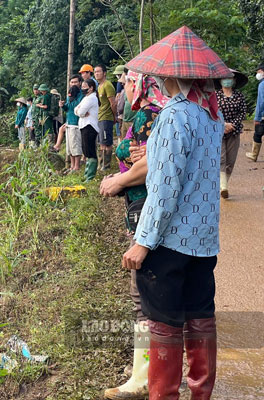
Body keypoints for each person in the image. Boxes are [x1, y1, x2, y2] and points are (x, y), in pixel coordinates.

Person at [123, 25, 232, 400]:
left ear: (167, 74)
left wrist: (142, 242)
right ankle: (201, 393)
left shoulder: (175, 114)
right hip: (203, 241)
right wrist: (153, 153)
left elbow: (165, 188)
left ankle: (164, 395)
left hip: (170, 241)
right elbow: (192, 168)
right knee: (201, 319)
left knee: (165, 324)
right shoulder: (211, 114)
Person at [100, 70, 169, 400]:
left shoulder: (148, 114)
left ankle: (144, 377)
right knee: (156, 294)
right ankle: (158, 371)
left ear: (141, 86)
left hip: (146, 210)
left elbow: (151, 163)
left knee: (142, 293)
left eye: (128, 81)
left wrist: (120, 180)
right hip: (147, 209)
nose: (124, 87)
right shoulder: (161, 112)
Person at [216, 69, 248, 198]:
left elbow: (242, 112)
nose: (227, 80)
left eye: (230, 78)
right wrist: (223, 124)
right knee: (221, 159)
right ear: (220, 80)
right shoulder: (215, 95)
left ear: (234, 81)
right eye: (224, 78)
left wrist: (231, 125)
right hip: (219, 130)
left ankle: (224, 186)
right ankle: (223, 187)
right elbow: (212, 112)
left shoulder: (239, 96)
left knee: (231, 160)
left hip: (234, 131)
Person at [75, 79, 99, 181]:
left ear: (91, 88)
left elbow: (80, 112)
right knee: (86, 150)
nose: (83, 88)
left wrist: (80, 112)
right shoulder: (86, 97)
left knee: (90, 150)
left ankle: (90, 176)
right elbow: (76, 109)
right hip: (84, 125)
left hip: (90, 126)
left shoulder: (92, 98)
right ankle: (87, 174)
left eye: (85, 86)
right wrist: (80, 111)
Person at [56, 84, 84, 172]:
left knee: (76, 146)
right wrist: (63, 105)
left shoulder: (81, 97)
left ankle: (77, 166)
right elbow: (67, 108)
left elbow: (77, 107)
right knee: (70, 148)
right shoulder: (70, 97)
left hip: (76, 124)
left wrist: (70, 103)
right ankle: (72, 166)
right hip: (69, 123)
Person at [95, 64, 117, 170]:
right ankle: (101, 165)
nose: (96, 74)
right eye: (95, 72)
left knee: (107, 142)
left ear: (104, 73)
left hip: (107, 117)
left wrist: (114, 116)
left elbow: (113, 103)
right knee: (101, 143)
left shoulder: (107, 85)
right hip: (100, 117)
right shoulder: (99, 86)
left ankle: (106, 166)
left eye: (98, 71)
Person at [246, 63, 264, 161]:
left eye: (259, 71)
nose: (257, 73)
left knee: (257, 134)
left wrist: (257, 118)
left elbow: (261, 102)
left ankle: (254, 154)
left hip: (263, 116)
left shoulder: (262, 84)